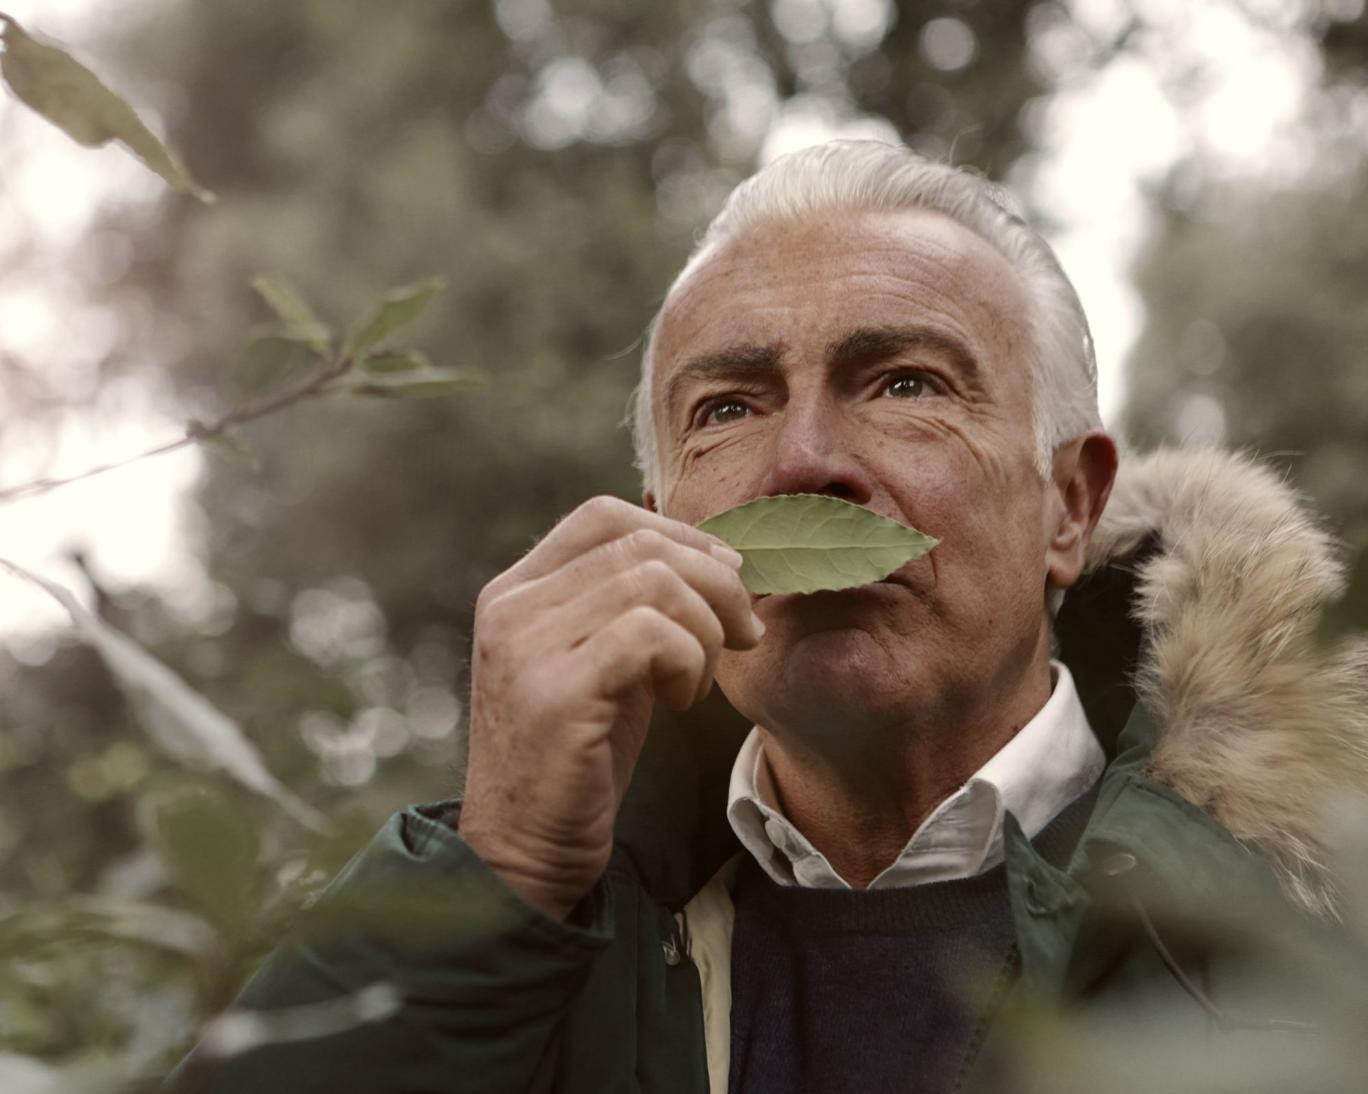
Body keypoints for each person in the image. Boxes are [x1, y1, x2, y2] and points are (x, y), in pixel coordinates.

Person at [178, 141, 1368, 1093]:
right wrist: (502, 875)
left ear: (1070, 504)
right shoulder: (547, 934)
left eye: (906, 382)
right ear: (659, 522)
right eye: (728, 407)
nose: (803, 463)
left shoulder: (1309, 911)